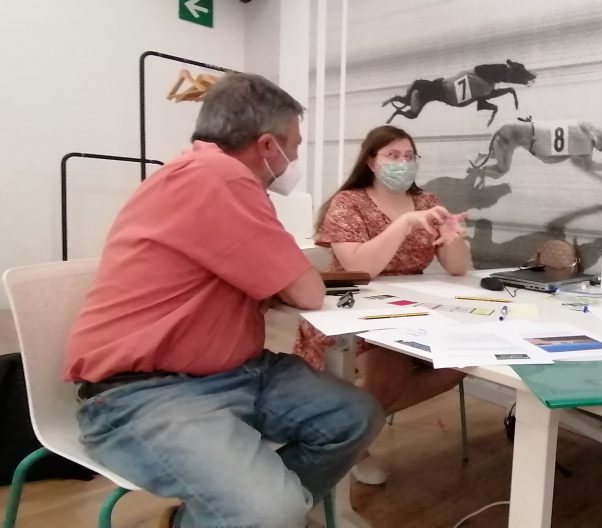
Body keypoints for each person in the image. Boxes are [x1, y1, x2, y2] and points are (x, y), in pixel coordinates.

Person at [63, 73, 384, 528]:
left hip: (237, 370)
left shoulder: (198, 173)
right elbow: (308, 292)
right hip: (146, 391)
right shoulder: (221, 177)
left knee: (356, 416)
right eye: (294, 145)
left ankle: (226, 515)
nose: (295, 157)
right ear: (267, 145)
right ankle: (251, 514)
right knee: (271, 510)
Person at [294, 125, 471, 484]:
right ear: (371, 161)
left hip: (411, 309)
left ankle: (344, 430)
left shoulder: (427, 202)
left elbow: (458, 268)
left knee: (461, 362)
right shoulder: (348, 203)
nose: (402, 163)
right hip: (350, 308)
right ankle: (352, 443)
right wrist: (403, 224)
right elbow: (361, 267)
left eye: (409, 156)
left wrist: (451, 237)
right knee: (390, 370)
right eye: (392, 155)